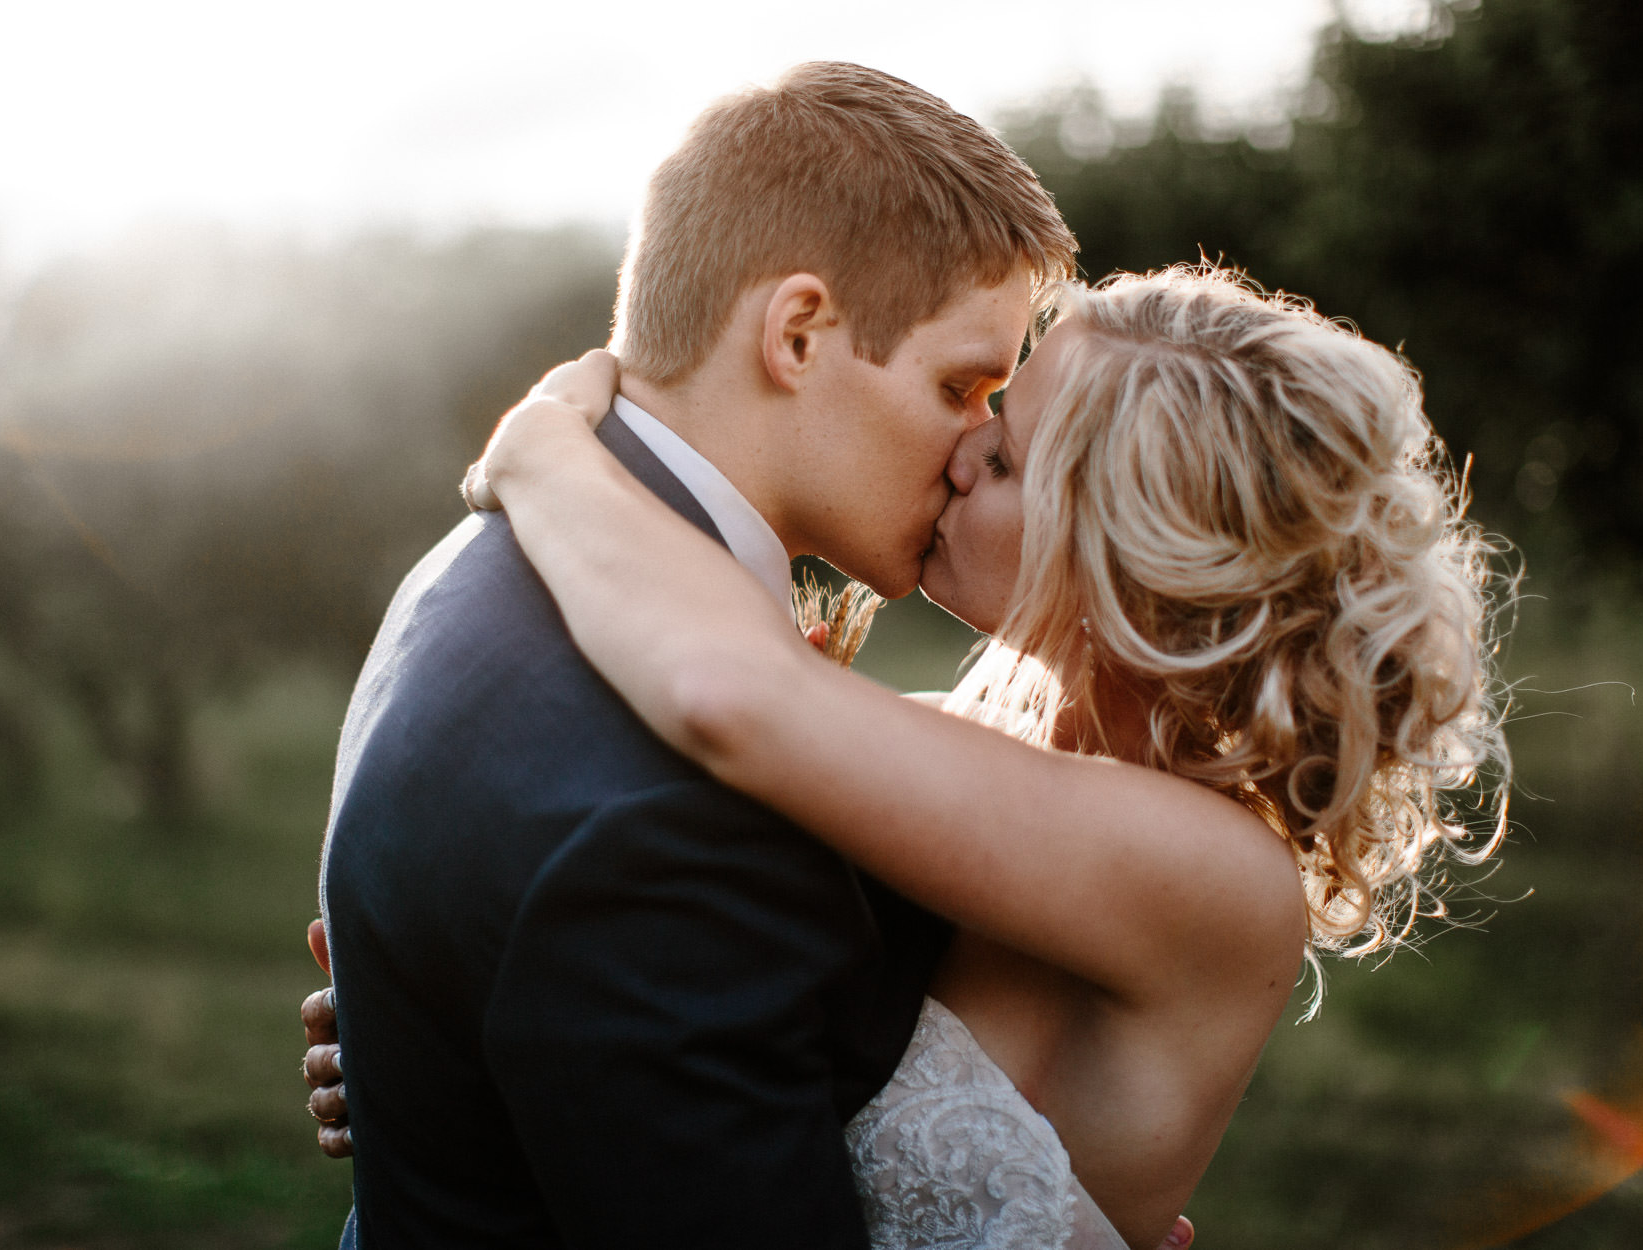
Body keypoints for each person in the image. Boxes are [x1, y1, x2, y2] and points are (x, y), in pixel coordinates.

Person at [309, 265, 1508, 1247]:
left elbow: (728, 690)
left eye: (1004, 457)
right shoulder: (960, 747)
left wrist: (540, 457)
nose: (955, 454)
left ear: (1128, 561)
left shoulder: (1212, 874)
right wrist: (445, 1021)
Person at [312, 61, 1076, 1249]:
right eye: (959, 383)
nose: (978, 443)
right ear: (800, 332)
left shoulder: (483, 556)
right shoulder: (668, 811)